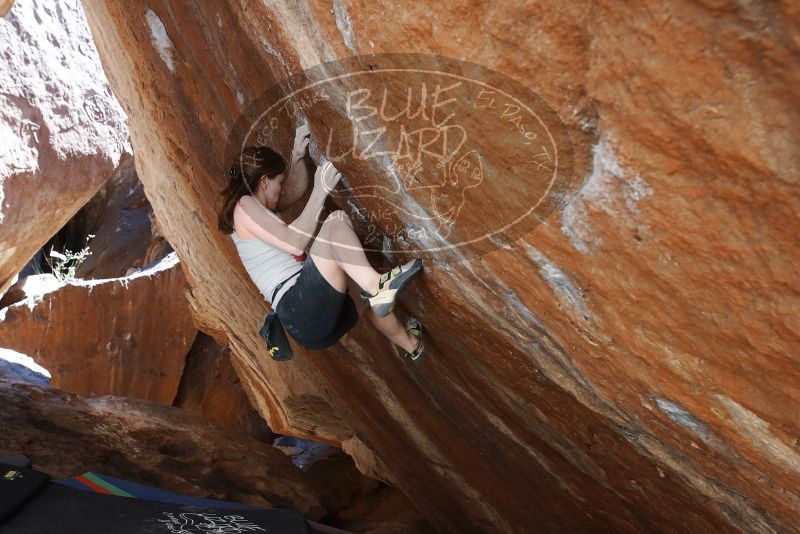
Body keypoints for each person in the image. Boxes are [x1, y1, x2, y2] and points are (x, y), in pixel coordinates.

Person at [217, 124, 426, 362]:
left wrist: (297, 154)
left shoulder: (260, 211)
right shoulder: (245, 207)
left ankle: (412, 346)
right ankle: (378, 288)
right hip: (299, 308)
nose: (282, 188)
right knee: (335, 222)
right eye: (280, 182)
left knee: (361, 286)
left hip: (314, 325)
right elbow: (295, 243)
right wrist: (321, 191)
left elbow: (296, 189)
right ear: (264, 182)